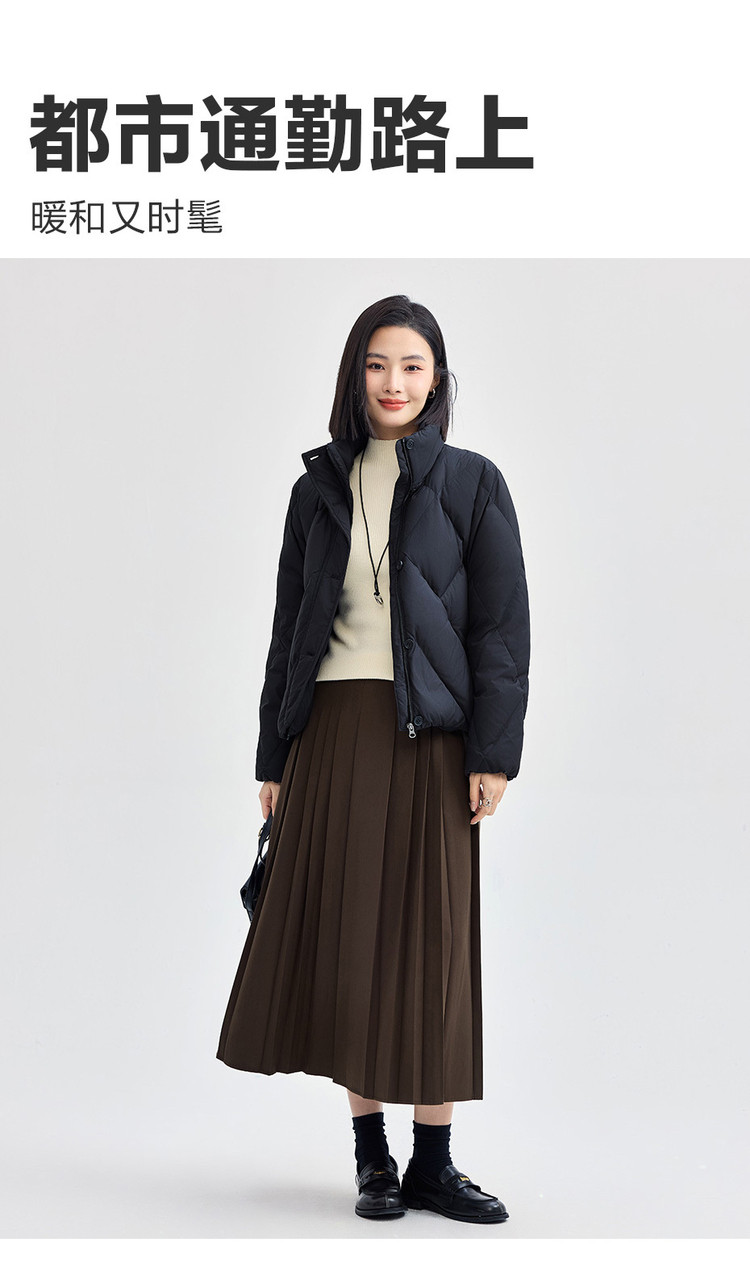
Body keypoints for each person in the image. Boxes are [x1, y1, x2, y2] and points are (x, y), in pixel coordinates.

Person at [216, 294, 531, 1225]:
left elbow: (499, 632)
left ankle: (433, 1160)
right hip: (332, 733)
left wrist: (493, 753)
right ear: (355, 375)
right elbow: (289, 632)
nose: (394, 382)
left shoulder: (473, 483)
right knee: (352, 941)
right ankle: (372, 1157)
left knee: (433, 945)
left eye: (412, 366)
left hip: (432, 739)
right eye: (377, 364)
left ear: (437, 380)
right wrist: (274, 753)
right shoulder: (318, 487)